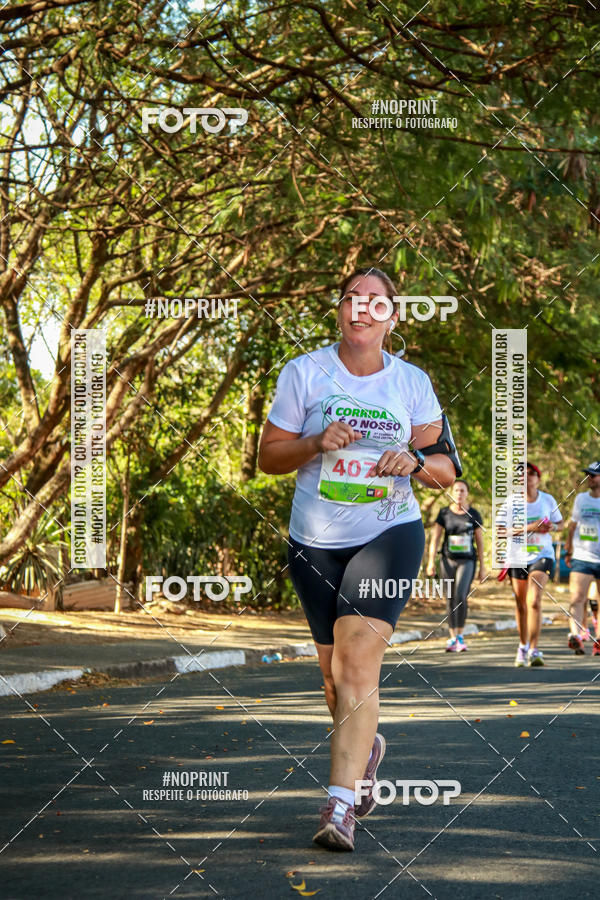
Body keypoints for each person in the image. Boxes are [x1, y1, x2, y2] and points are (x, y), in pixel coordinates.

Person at [258, 266, 458, 852]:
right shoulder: (305, 373)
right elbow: (269, 457)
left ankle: (339, 806)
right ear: (339, 312)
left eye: (375, 302)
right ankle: (366, 749)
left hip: (388, 533)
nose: (361, 309)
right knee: (331, 677)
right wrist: (315, 443)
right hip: (314, 538)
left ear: (393, 318)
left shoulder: (411, 383)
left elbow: (447, 469)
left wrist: (414, 463)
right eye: (351, 299)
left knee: (354, 667)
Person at [502, 463, 563, 667]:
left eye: (531, 474)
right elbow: (502, 531)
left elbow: (560, 524)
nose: (526, 477)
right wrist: (530, 527)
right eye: (522, 475)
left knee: (534, 600)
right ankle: (522, 645)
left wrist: (552, 526)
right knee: (521, 605)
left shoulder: (548, 500)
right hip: (518, 556)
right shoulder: (511, 503)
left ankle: (535, 650)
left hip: (542, 555)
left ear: (538, 478)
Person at [426, 479, 487, 651]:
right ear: (452, 493)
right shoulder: (444, 513)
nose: (459, 493)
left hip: (467, 560)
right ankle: (452, 638)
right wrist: (431, 561)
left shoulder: (474, 514)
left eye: (462, 491)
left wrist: (483, 567)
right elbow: (435, 538)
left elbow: (480, 541)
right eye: (456, 490)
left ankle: (460, 635)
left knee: (460, 595)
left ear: (467, 493)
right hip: (447, 559)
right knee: (450, 598)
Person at [564, 460, 600, 656]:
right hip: (582, 556)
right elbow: (573, 525)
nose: (589, 478)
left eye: (593, 475)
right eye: (588, 474)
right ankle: (575, 635)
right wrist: (568, 549)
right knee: (577, 598)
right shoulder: (581, 499)